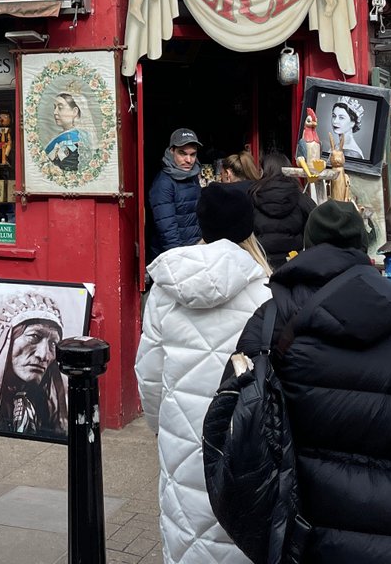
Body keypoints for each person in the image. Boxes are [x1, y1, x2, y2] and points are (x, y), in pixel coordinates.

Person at [232, 201, 391, 564]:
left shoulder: (271, 318)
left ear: (307, 244)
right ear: (361, 246)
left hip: (303, 521)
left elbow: (243, 408)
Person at [136, 182, 270, 564]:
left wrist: (161, 426)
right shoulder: (265, 293)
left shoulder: (166, 289)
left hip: (182, 439)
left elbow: (149, 373)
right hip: (241, 444)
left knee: (187, 536)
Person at [0, 290, 67, 437]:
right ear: (4, 341)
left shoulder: (48, 407)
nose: (43, 355)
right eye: (34, 336)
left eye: (53, 344)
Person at [251, 151, 316, 270]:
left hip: (261, 263)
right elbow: (315, 223)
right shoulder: (300, 197)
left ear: (264, 171)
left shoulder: (253, 195)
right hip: (294, 263)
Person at [148, 128, 204, 260]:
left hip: (195, 250)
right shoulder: (163, 183)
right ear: (171, 151)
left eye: (193, 154)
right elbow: (167, 229)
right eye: (182, 154)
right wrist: (179, 259)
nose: (189, 160)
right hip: (176, 256)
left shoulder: (193, 176)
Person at [43, 93, 89, 173]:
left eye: (60, 108)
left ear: (74, 112)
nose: (55, 112)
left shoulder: (75, 142)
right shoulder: (62, 137)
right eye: (54, 107)